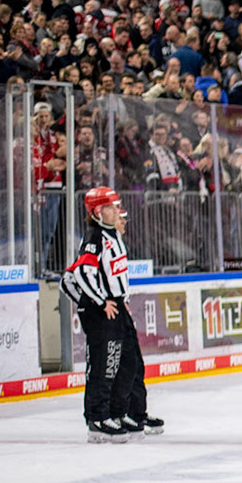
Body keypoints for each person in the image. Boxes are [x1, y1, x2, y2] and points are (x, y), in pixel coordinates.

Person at [62, 187, 160, 441]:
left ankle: (122, 412)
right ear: (97, 212)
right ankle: (97, 417)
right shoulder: (95, 237)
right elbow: (80, 274)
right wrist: (100, 301)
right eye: (112, 207)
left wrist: (120, 300)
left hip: (116, 305)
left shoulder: (111, 236)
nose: (118, 212)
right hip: (103, 311)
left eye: (118, 207)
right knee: (105, 365)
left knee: (130, 363)